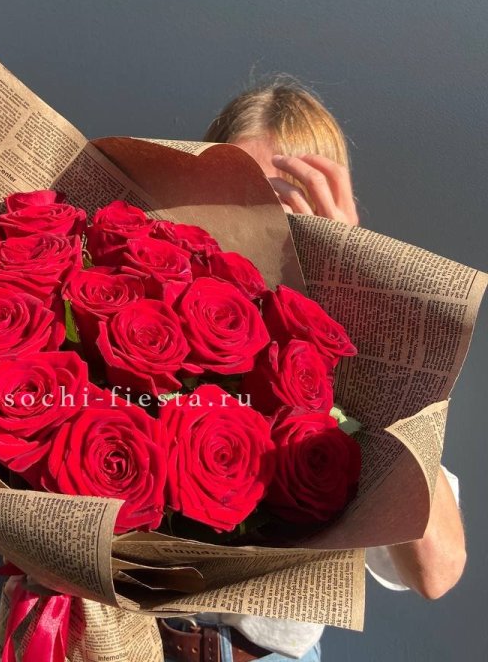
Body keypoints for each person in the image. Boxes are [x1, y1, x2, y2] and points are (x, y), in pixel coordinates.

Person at [159, 77, 466, 662]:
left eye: (285, 208)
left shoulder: (361, 364)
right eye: (234, 198)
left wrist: (356, 289)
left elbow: (437, 570)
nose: (256, 229)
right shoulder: (155, 314)